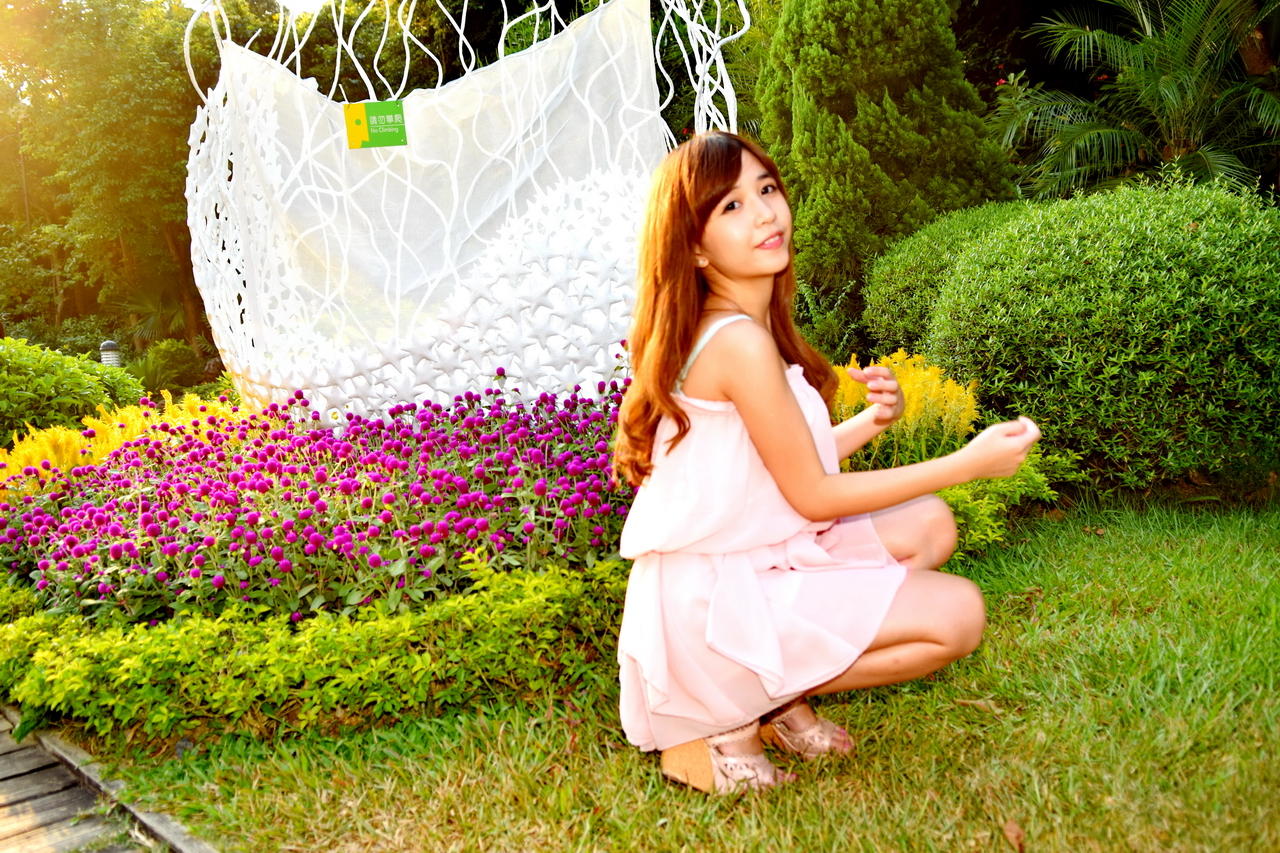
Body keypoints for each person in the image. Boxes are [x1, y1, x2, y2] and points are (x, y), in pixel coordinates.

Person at [612, 131, 1041, 794]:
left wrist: (872, 422)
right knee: (959, 615)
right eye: (731, 206)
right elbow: (811, 494)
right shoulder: (736, 343)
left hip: (749, 561)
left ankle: (776, 696)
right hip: (715, 608)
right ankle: (734, 711)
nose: (765, 213)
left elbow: (765, 469)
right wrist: (966, 462)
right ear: (693, 246)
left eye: (767, 189)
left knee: (929, 524)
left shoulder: (742, 325)